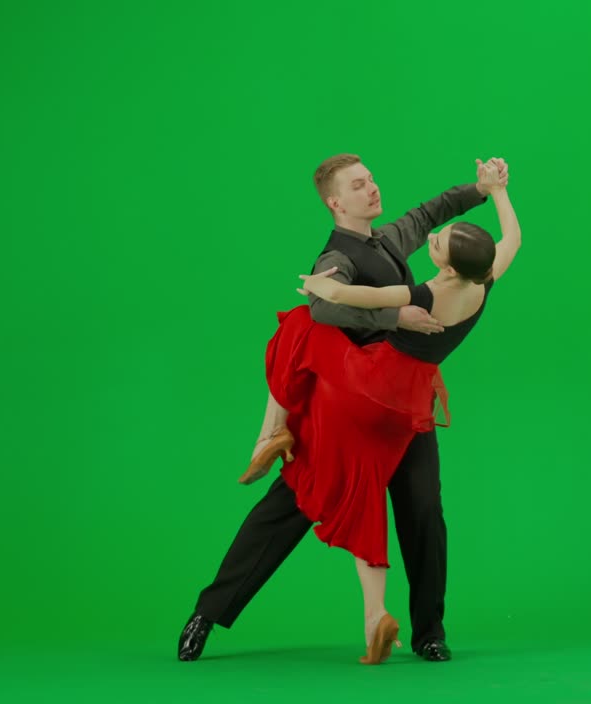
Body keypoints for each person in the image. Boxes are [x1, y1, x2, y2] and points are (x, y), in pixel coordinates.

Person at [178, 154, 510, 663]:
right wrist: (397, 316)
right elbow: (321, 307)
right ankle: (208, 612)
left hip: (404, 404)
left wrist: (482, 190)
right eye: (359, 185)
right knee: (288, 508)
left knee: (423, 510)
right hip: (349, 400)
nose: (372, 188)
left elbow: (429, 213)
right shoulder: (336, 257)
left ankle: (429, 633)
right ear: (336, 202)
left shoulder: (390, 238)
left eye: (372, 178)